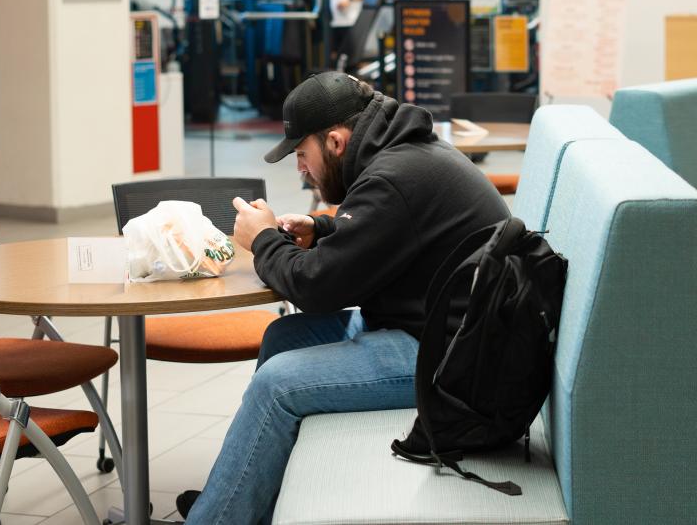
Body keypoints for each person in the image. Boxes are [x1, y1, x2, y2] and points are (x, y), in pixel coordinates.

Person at [180, 72, 510, 524]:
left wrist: (262, 240)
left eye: (301, 154)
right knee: (283, 337)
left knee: (278, 384)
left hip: (447, 362)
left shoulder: (393, 177)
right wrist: (324, 230)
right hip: (442, 332)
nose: (300, 169)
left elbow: (317, 289)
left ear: (335, 141)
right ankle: (245, 499)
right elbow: (394, 236)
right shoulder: (407, 156)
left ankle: (215, 518)